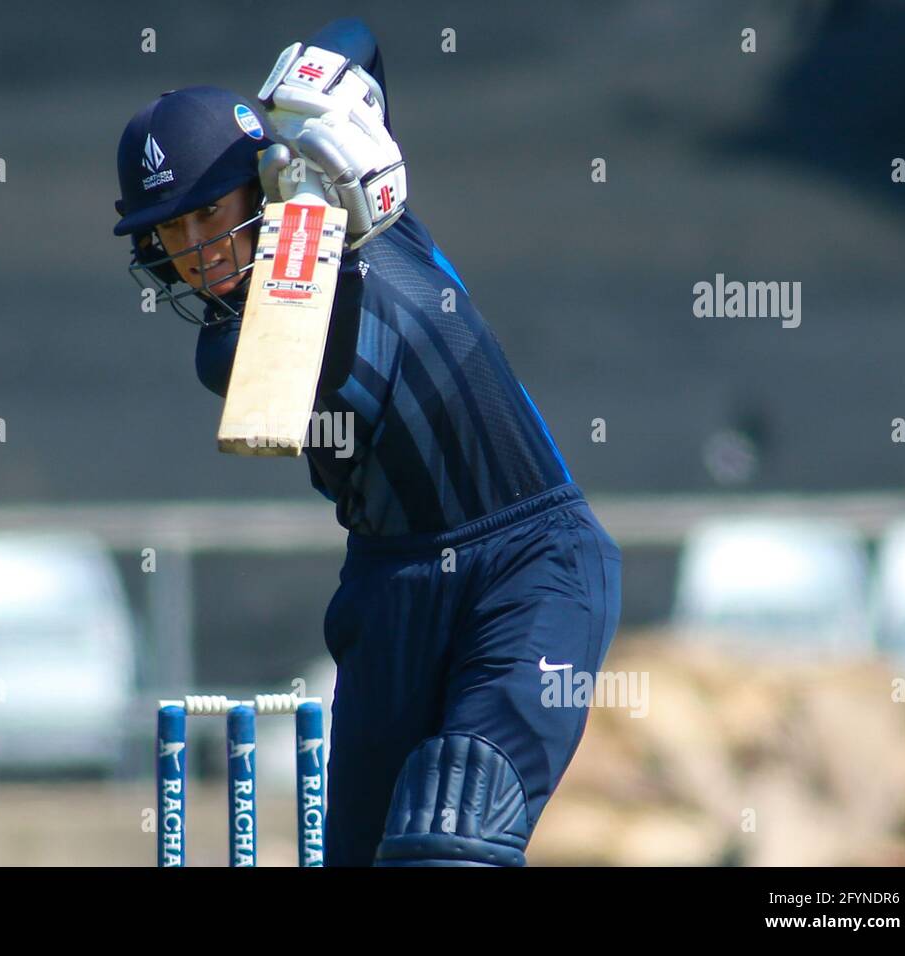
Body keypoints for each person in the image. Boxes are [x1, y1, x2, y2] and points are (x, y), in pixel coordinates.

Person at [114, 17, 621, 867]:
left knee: (450, 837)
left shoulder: (375, 214)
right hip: (390, 596)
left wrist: (317, 110)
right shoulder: (235, 346)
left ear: (259, 180)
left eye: (209, 212)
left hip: (532, 560)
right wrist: (333, 242)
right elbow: (329, 336)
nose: (198, 250)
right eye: (172, 231)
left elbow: (357, 35)